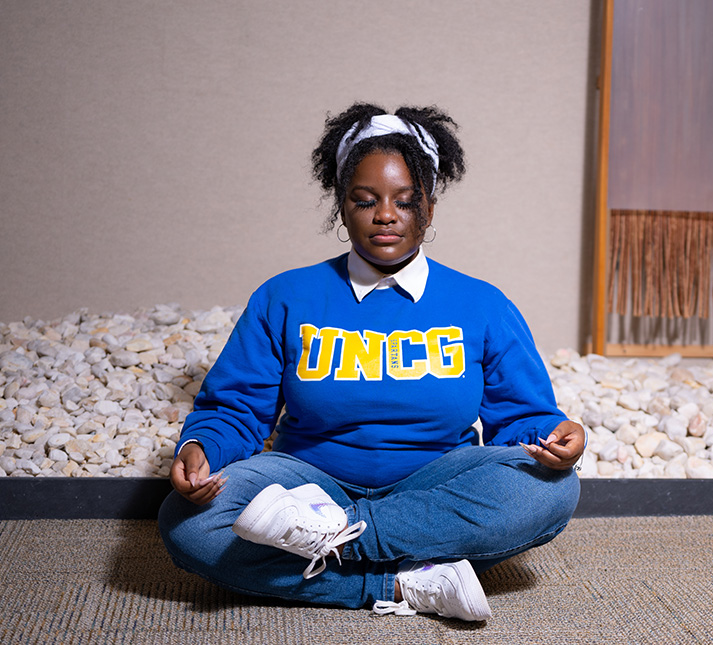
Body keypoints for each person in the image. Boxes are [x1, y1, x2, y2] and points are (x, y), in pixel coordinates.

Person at [158, 103, 585, 623]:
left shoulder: (482, 303)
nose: (386, 215)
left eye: (405, 201)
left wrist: (556, 435)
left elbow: (521, 418)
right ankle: (401, 583)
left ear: (430, 208)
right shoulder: (286, 296)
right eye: (365, 201)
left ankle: (341, 541)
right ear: (341, 206)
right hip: (306, 482)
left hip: (434, 483)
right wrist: (203, 447)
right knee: (188, 522)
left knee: (551, 490)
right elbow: (236, 408)